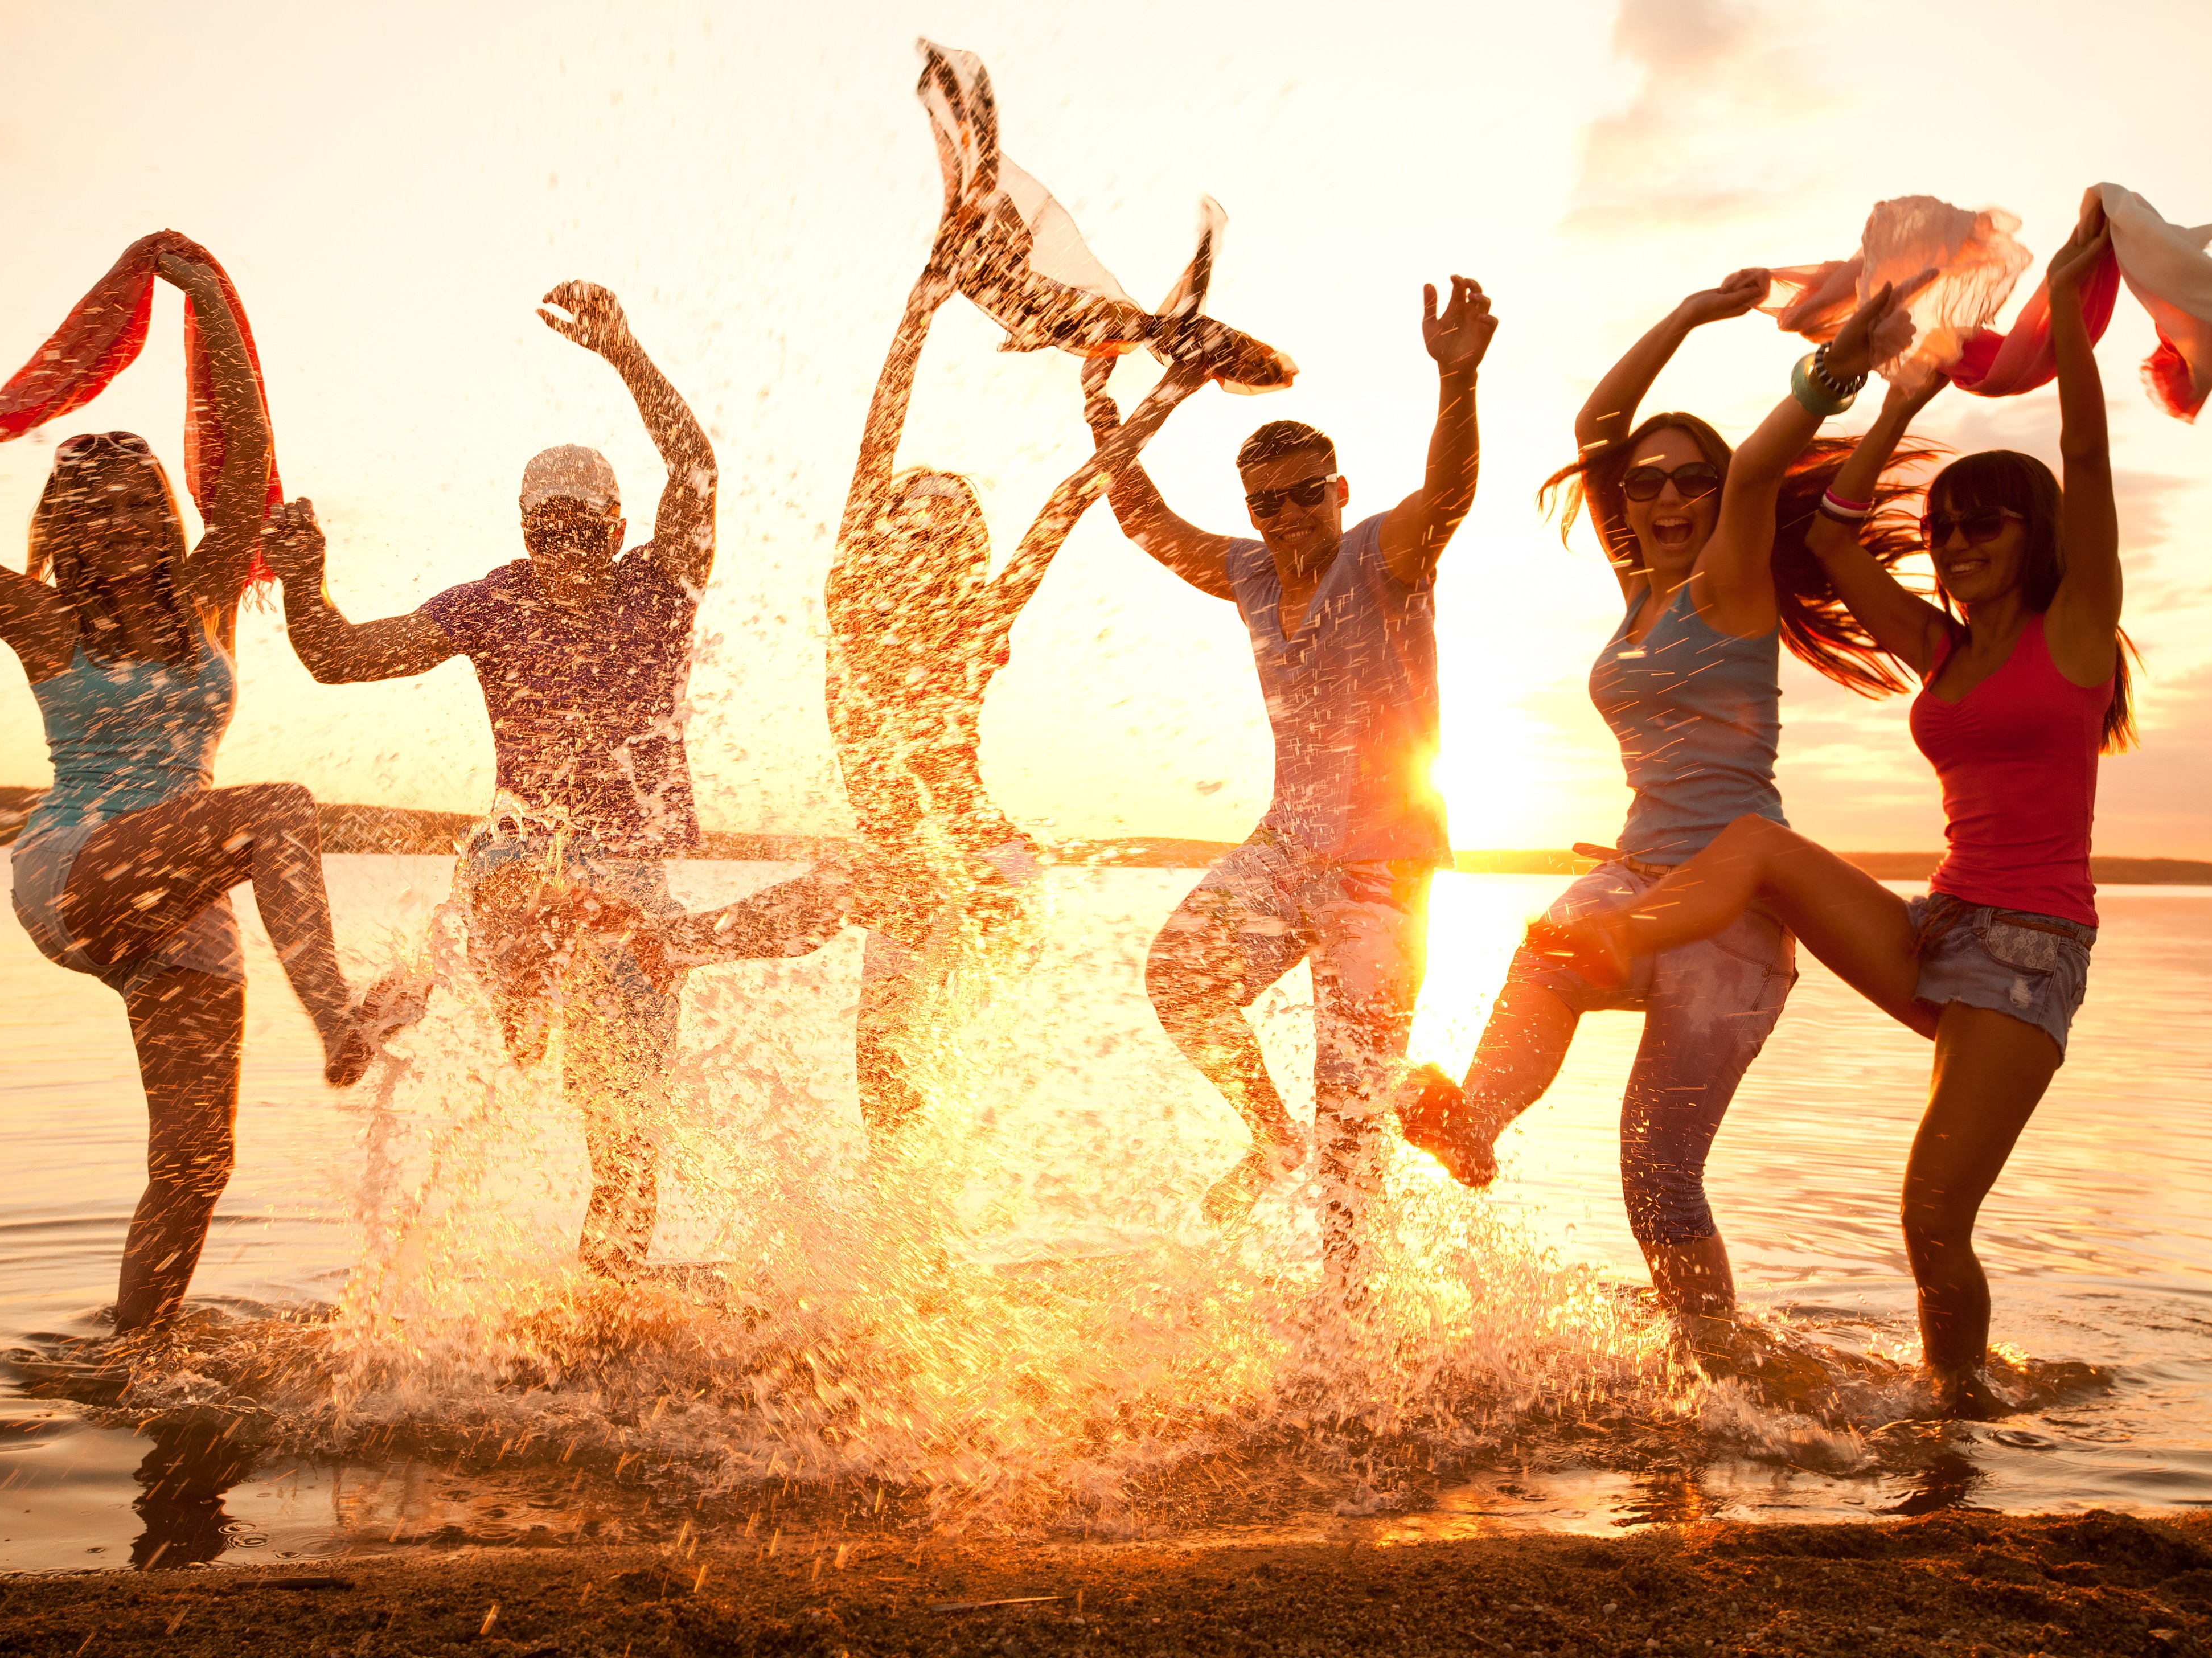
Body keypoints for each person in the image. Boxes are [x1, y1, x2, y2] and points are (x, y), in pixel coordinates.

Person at [1525, 206, 2133, 1417]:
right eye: (1947, 527)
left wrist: (2063, 319)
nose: (1955, 544)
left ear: (2036, 536)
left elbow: (2089, 461)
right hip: (1942, 926)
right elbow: (1840, 540)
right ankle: (1621, 933)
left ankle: (1961, 1403)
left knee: (1930, 1220)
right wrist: (1897, 405)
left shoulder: (2072, 637)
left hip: (2028, 958)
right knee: (1758, 846)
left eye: (1983, 524)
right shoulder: (1942, 650)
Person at [0, 259, 411, 1336]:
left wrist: (205, 302)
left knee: (197, 1164)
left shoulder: (209, 596)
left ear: (162, 517)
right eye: (92, 512)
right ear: (64, 527)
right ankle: (339, 1013)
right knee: (281, 806)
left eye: (136, 509)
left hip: (184, 897)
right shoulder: (38, 620)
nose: (119, 528)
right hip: (79, 868)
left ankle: (133, 1356)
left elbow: (243, 463)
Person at [1394, 271, 1934, 1318]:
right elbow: (1600, 425)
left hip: (1733, 910)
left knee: (1657, 1179)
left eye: (1692, 480)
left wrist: (1834, 375)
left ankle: (1717, 1368)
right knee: (1547, 956)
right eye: (1649, 485)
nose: (1669, 498)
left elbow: (1759, 473)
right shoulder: (1640, 589)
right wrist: (1692, 313)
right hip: (1636, 879)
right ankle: (1473, 1130)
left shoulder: (1731, 579)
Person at [629, 215, 1224, 1150]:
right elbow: (880, 439)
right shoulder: (853, 595)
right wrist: (920, 308)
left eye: (949, 526)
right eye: (912, 517)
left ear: (967, 549)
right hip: (915, 877)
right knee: (891, 1098)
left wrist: (1162, 395)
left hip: (984, 870)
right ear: (885, 531)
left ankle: (675, 949)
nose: (927, 533)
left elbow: (1074, 494)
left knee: (857, 883)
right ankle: (917, 1270)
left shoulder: (979, 614)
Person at [263, 280, 715, 1282]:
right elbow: (337, 657)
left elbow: (694, 464)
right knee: (513, 885)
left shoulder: (664, 582)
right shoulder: (491, 603)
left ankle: (611, 1288)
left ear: (614, 524)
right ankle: (468, 1000)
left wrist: (628, 353)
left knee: (627, 1129)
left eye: (579, 525)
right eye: (543, 526)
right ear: (524, 528)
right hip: (523, 852)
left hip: (631, 879)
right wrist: (301, 578)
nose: (561, 545)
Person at [1079, 274, 1496, 1277]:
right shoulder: (1251, 574)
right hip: (1283, 849)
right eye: (1268, 502)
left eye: (1308, 492)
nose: (1288, 514)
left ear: (1339, 490)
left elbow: (1447, 497)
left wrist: (1459, 379)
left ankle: (1348, 1325)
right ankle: (1271, 1136)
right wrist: (1100, 409)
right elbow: (1144, 522)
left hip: (1380, 868)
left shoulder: (1384, 557)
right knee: (1180, 978)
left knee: (1347, 1118)